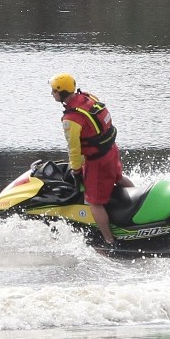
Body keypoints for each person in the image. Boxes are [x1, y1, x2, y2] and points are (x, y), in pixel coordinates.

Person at [49, 72, 134, 246]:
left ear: (61, 93)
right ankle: (137, 200)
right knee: (117, 178)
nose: (52, 94)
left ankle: (109, 240)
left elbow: (74, 148)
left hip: (97, 161)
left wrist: (76, 170)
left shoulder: (71, 118)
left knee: (94, 201)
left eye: (54, 91)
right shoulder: (87, 97)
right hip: (111, 150)